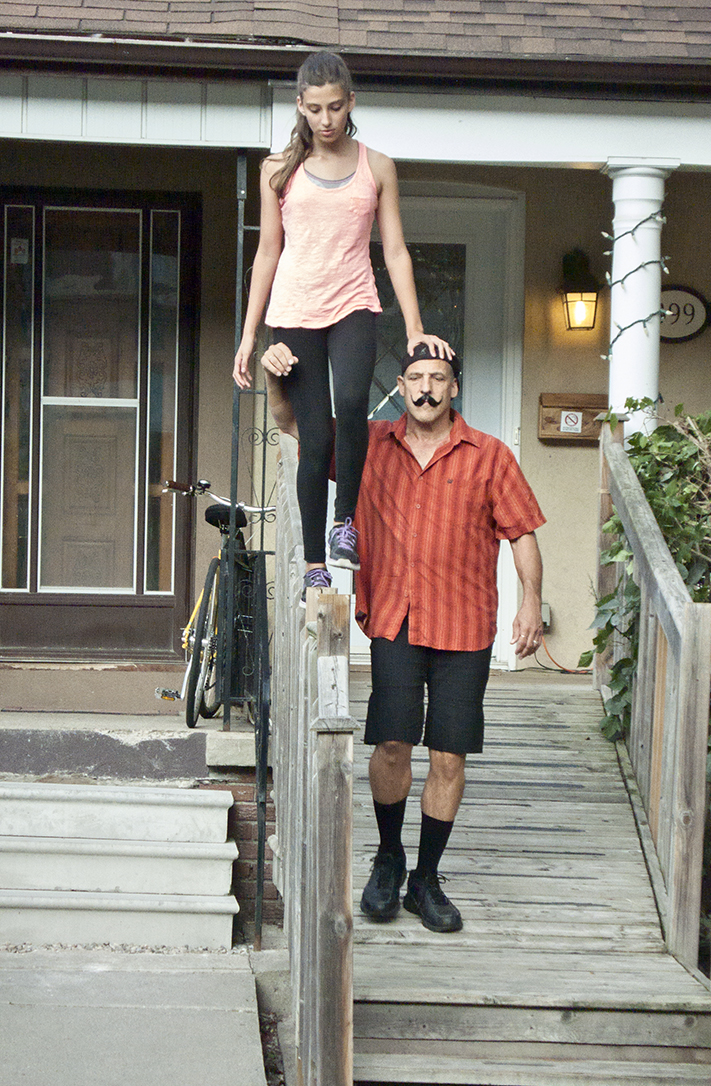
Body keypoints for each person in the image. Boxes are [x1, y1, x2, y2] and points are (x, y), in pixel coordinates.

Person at [261, 340, 546, 934]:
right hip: (395, 617)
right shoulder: (367, 445)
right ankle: (388, 857)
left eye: (438, 378)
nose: (426, 388)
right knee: (391, 746)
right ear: (401, 383)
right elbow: (292, 424)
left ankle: (426, 877)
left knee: (449, 755)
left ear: (453, 387)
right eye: (415, 376)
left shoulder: (490, 456)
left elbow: (521, 533)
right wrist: (276, 376)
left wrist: (532, 603)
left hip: (465, 625)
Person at [233, 50, 451, 603]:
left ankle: (344, 524)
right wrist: (249, 336)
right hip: (295, 312)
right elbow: (266, 253)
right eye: (314, 109)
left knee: (353, 403)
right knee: (315, 435)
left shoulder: (376, 167)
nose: (326, 119)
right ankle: (313, 565)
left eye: (335, 107)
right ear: (300, 108)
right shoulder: (277, 171)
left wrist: (416, 328)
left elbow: (396, 250)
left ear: (350, 103)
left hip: (355, 303)